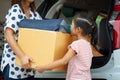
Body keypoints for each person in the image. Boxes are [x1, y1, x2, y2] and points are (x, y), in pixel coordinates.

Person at [35, 12, 98, 80]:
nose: (70, 26)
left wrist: (43, 68)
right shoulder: (88, 45)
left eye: (72, 24)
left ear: (78, 29)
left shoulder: (76, 45)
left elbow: (64, 61)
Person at [1, 0, 42, 80]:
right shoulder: (16, 10)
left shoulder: (34, 14)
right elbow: (8, 35)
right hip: (14, 66)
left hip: (29, 66)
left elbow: (43, 33)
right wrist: (22, 57)